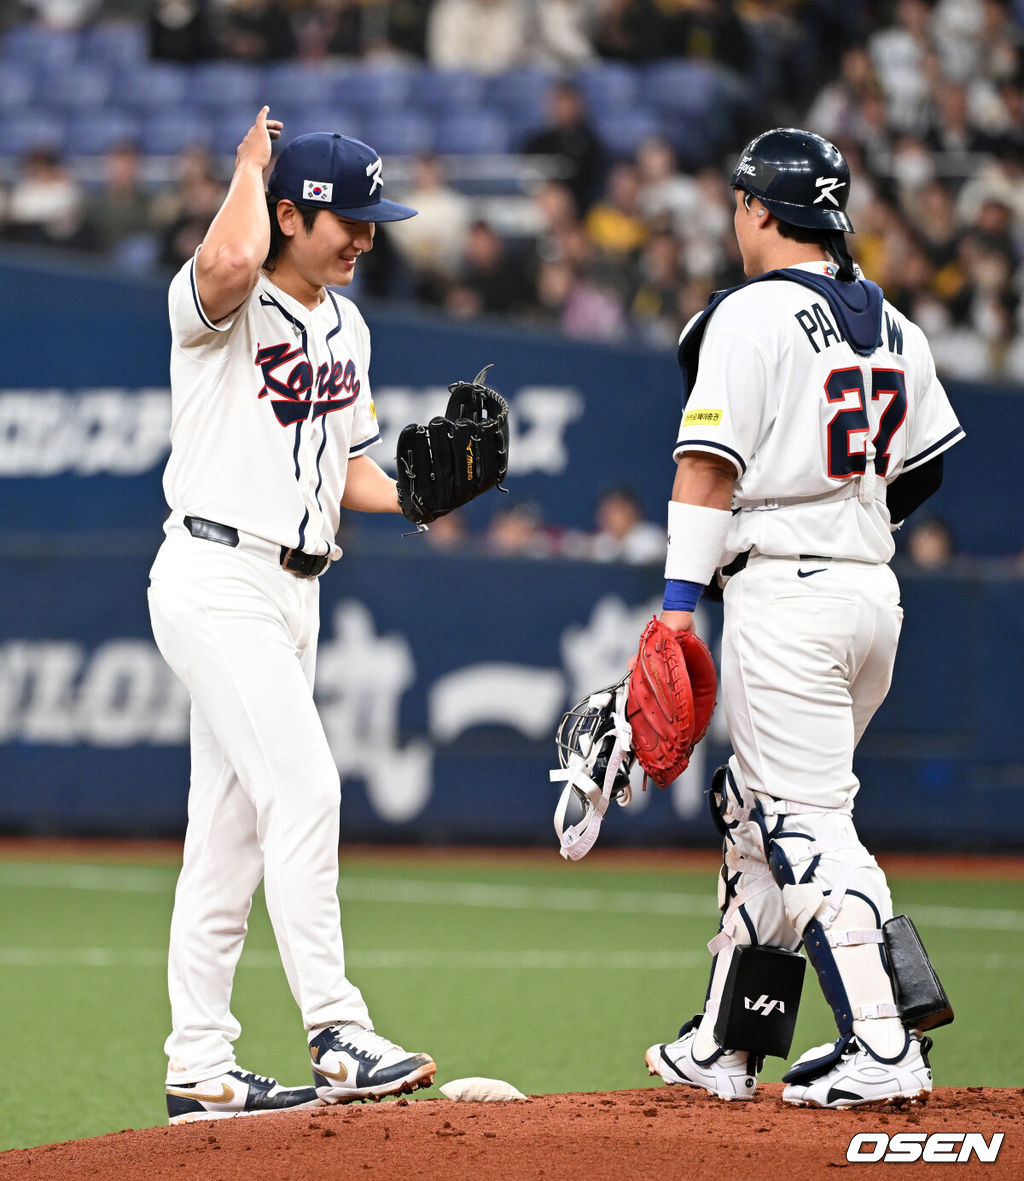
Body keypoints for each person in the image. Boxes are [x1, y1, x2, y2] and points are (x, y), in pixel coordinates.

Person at [643, 128, 964, 1108]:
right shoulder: (894, 324)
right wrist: (850, 521)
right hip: (868, 593)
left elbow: (705, 468)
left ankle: (881, 1042)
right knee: (754, 811)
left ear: (756, 209)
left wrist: (674, 610)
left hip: (787, 592)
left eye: (739, 203)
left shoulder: (750, 315)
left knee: (804, 821)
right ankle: (727, 1041)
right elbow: (928, 462)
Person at [147, 108, 437, 1124]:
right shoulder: (222, 301)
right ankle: (335, 1027)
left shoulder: (348, 324)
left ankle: (201, 1066)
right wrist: (245, 168)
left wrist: (419, 488)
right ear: (287, 215)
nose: (364, 236)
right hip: (217, 570)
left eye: (370, 221)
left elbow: (349, 467)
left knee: (227, 835)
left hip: (295, 587)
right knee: (306, 785)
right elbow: (227, 258)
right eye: (345, 220)